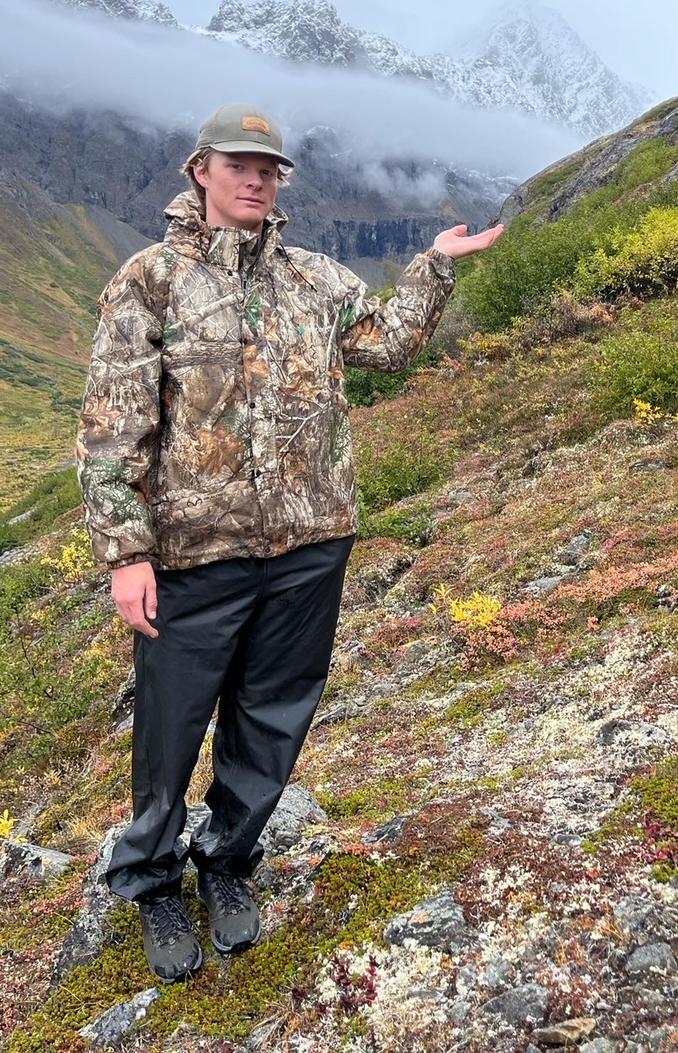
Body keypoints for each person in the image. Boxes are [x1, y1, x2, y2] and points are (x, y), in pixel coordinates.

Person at [77, 103, 503, 983]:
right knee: (169, 727)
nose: (254, 179)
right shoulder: (149, 279)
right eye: (238, 164)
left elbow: (385, 345)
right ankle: (151, 876)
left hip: (311, 542)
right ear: (202, 169)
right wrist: (125, 553)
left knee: (274, 715)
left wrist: (435, 267)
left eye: (268, 169)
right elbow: (113, 424)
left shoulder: (316, 279)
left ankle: (227, 861)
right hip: (195, 550)